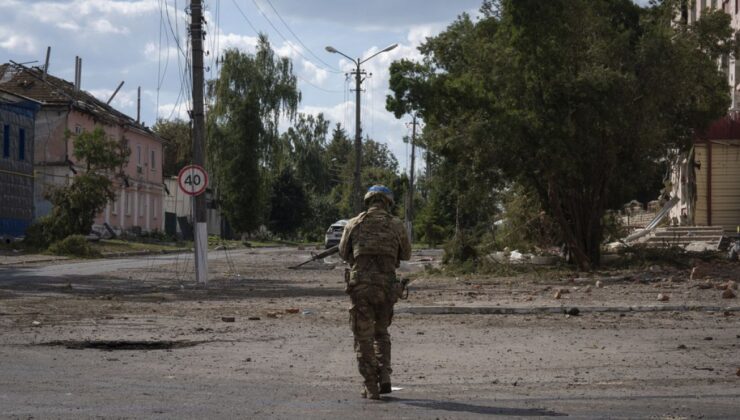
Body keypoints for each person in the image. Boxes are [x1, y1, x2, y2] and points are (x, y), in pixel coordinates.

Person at [339, 185, 412, 400]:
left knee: (363, 337)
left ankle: (371, 385)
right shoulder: (396, 225)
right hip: (386, 288)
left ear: (368, 201)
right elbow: (406, 254)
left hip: (361, 288)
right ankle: (385, 376)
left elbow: (344, 253)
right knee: (381, 332)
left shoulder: (354, 223)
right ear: (388, 203)